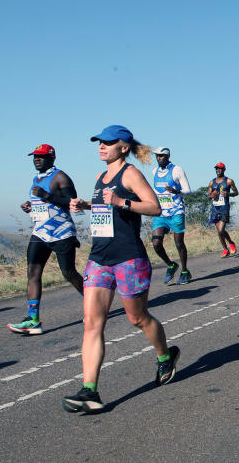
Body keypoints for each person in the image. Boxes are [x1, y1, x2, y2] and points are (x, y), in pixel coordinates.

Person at [64, 125, 179, 413]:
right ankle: (89, 391)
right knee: (91, 324)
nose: (101, 146)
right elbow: (107, 209)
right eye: (99, 142)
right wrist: (86, 205)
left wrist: (121, 201)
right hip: (99, 257)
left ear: (123, 147)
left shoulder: (130, 174)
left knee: (137, 318)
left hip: (128, 258)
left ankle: (165, 357)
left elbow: (154, 207)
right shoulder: (99, 176)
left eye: (107, 142)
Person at [8, 144, 84, 335]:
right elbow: (42, 204)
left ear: (52, 158)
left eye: (41, 157)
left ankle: (93, 303)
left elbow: (72, 203)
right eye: (34, 157)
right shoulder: (37, 178)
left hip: (61, 234)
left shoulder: (60, 177)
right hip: (40, 233)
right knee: (33, 272)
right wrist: (30, 205)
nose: (36, 159)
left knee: (68, 273)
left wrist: (46, 196)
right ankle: (33, 319)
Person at [150, 147, 192, 285]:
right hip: (161, 212)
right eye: (157, 156)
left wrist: (176, 191)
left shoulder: (177, 170)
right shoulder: (154, 171)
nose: (158, 158)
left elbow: (188, 191)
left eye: (161, 156)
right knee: (156, 243)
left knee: (179, 243)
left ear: (168, 157)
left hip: (176, 211)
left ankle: (185, 271)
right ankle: (171, 265)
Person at [209, 162, 239, 257]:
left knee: (221, 230)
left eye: (220, 168)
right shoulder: (211, 182)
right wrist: (211, 196)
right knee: (219, 231)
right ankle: (225, 249)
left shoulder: (229, 181)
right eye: (217, 168)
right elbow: (209, 196)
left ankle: (231, 242)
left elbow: (236, 193)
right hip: (215, 208)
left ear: (224, 169)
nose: (218, 170)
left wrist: (228, 194)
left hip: (224, 207)